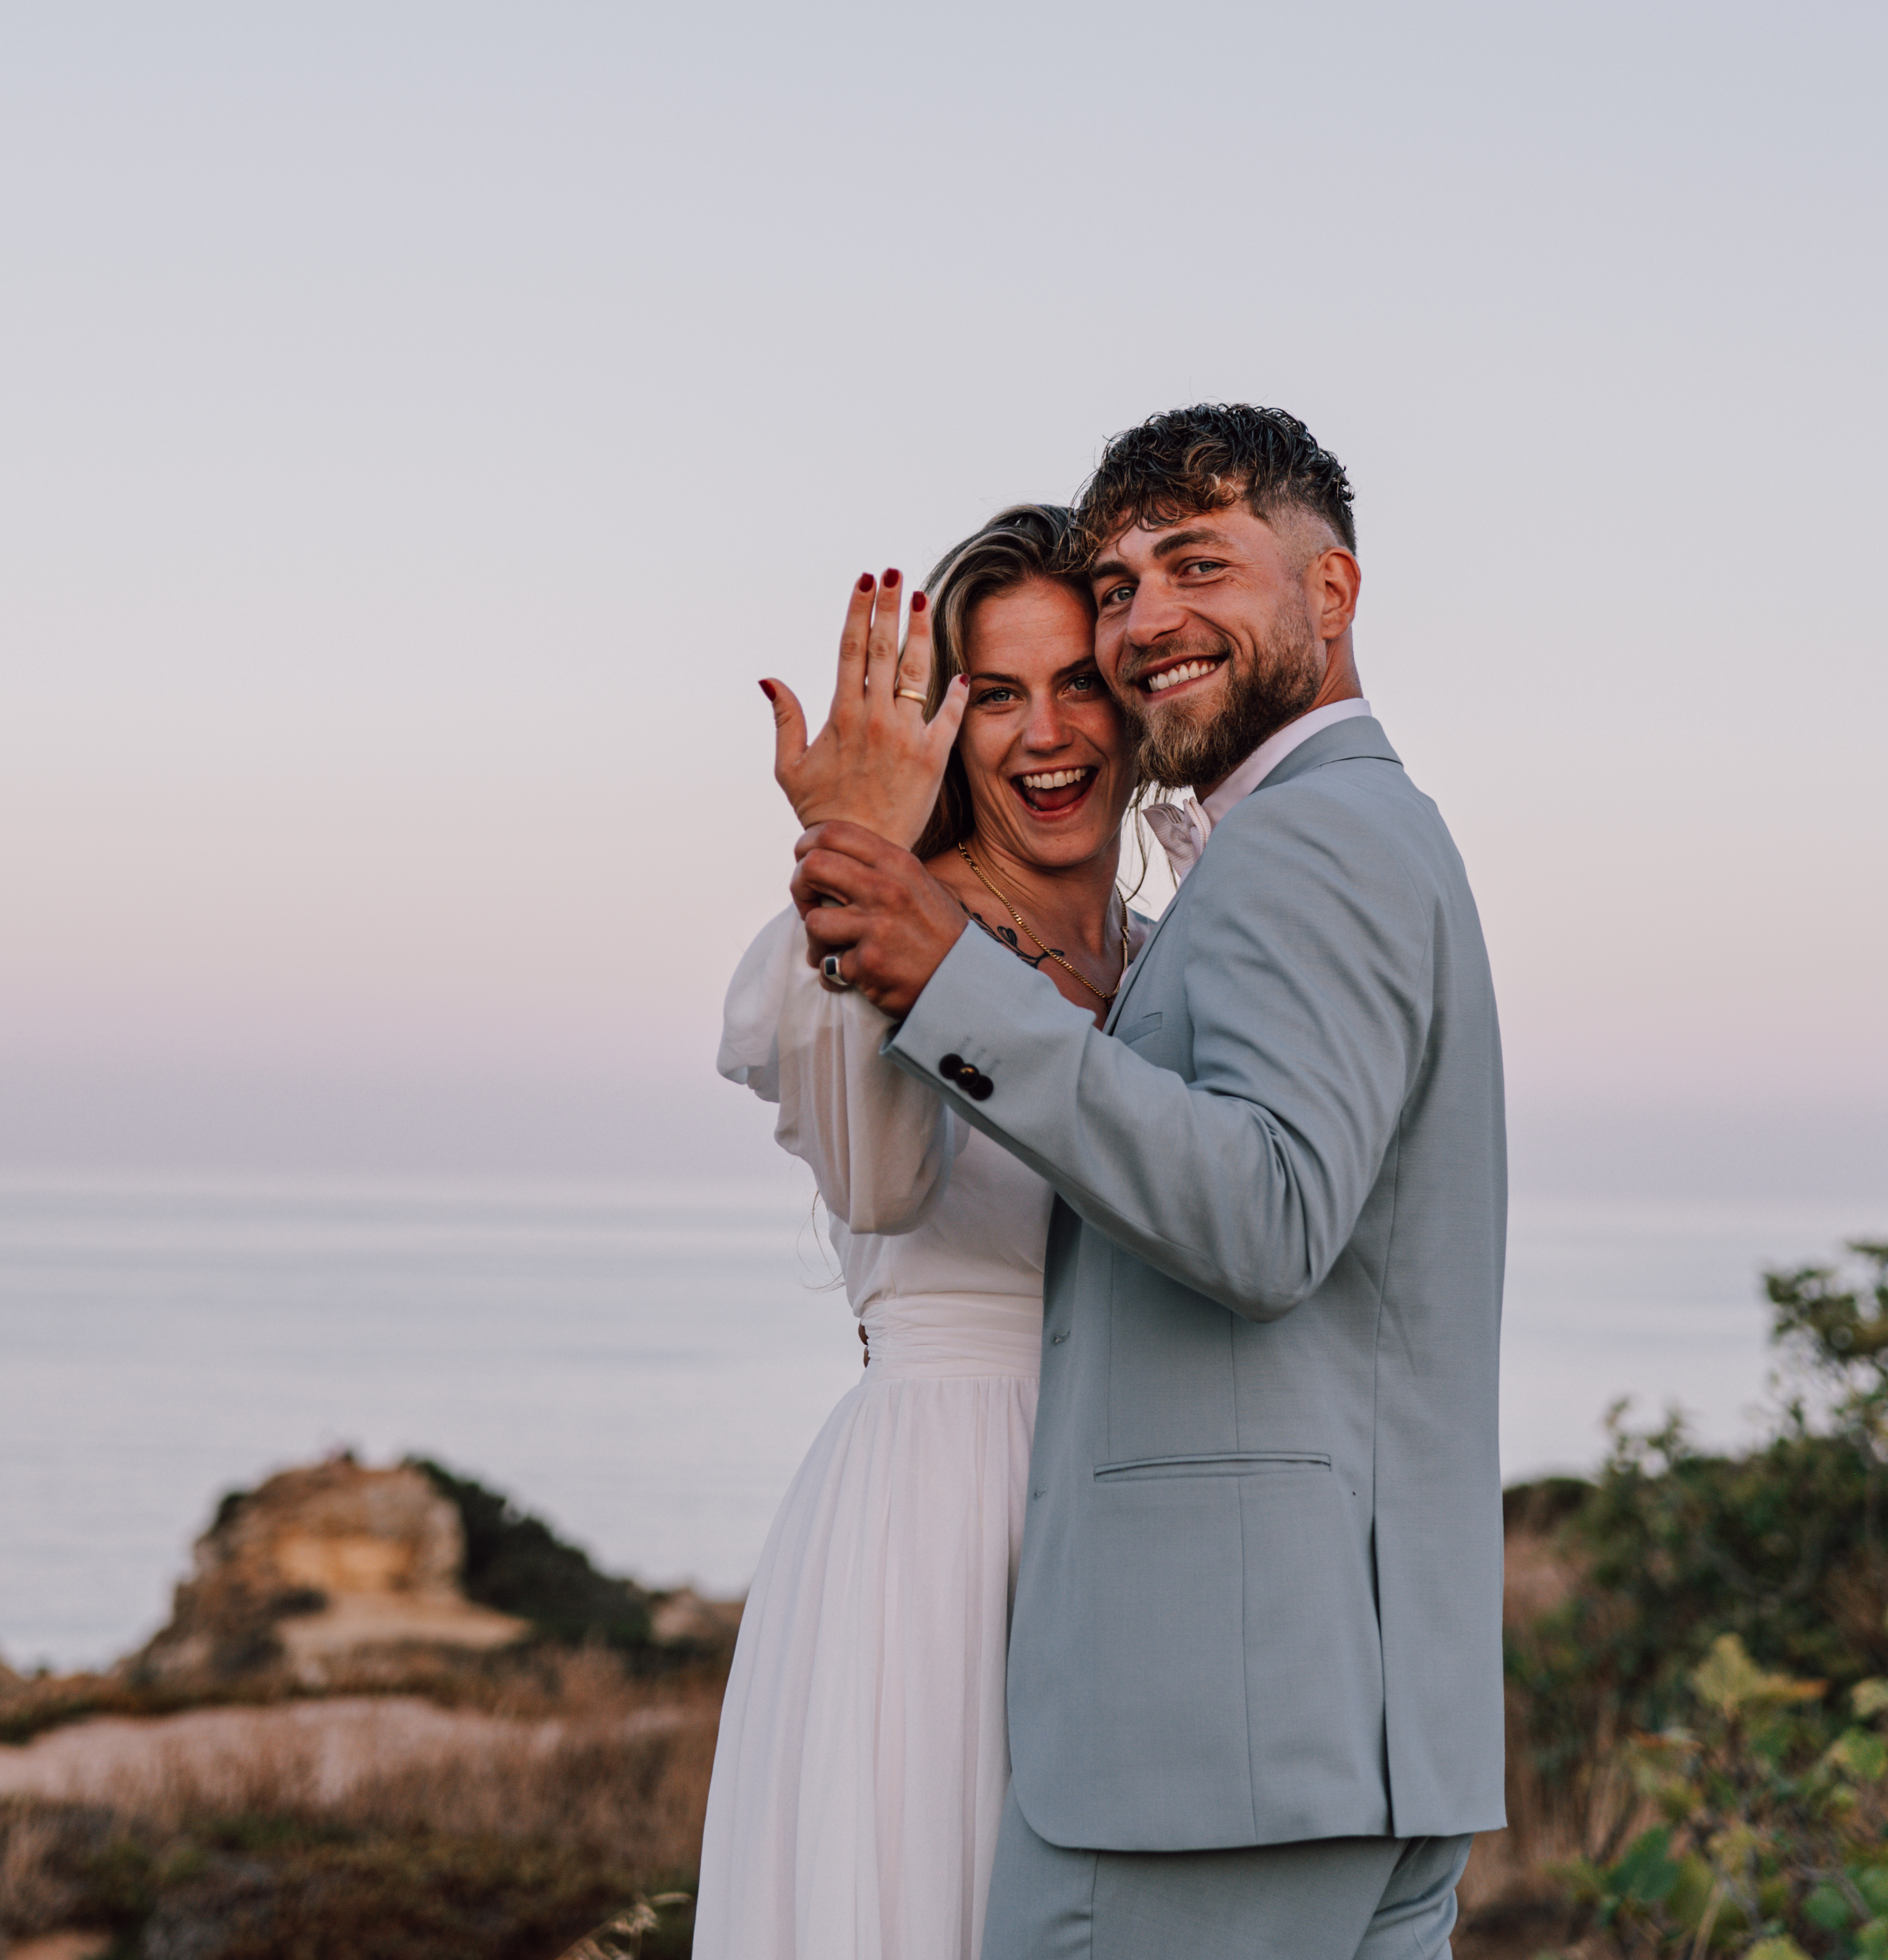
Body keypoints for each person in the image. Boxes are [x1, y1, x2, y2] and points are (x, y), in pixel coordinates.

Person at [795, 407, 1507, 1960]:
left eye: (1198, 564)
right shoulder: (1363, 833)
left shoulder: (1301, 844)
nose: (1146, 622)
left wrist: (949, 986)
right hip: (1350, 1730)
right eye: (1118, 584)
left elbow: (1266, 1216)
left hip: (1216, 1751)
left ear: (1333, 595)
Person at [700, 504, 1152, 1960]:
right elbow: (883, 1181)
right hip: (938, 1525)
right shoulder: (873, 924)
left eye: (1077, 679)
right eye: (993, 692)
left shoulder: (1180, 952)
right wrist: (854, 862)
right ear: (941, 728)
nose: (1043, 732)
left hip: (1139, 1512)